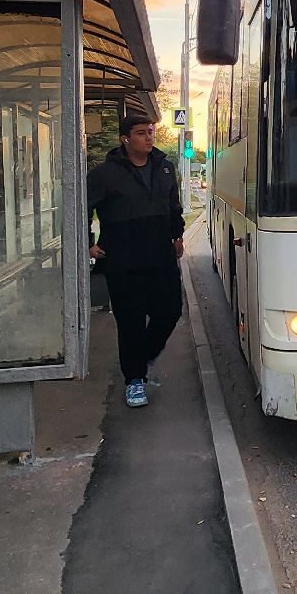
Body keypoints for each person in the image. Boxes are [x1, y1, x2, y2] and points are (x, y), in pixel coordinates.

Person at [87, 115, 185, 408]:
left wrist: (178, 235)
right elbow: (83, 207)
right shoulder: (104, 174)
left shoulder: (165, 168)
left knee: (170, 311)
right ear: (125, 139)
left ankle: (142, 357)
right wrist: (88, 243)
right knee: (130, 321)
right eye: (141, 133)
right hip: (123, 258)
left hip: (160, 255)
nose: (148, 137)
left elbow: (174, 206)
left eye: (150, 132)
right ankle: (134, 380)